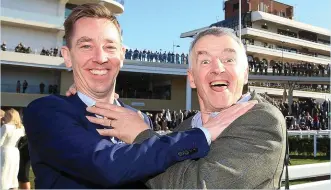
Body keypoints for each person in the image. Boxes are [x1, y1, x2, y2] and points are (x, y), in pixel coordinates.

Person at [23, 4, 254, 189]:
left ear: (122, 55)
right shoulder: (46, 112)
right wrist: (203, 134)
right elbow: (107, 166)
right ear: (67, 56)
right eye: (86, 46)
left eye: (110, 47)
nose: (100, 57)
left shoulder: (139, 120)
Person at [85, 27, 286, 189]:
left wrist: (140, 135)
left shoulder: (263, 119)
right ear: (191, 78)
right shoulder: (185, 128)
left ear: (245, 74)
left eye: (229, 59)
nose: (218, 68)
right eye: (205, 61)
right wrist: (93, 91)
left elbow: (196, 185)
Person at [0, 109, 25, 189]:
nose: (4, 117)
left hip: (5, 152)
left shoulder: (6, 127)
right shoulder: (21, 127)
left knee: (3, 173)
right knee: (13, 174)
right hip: (15, 152)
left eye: (6, 115)